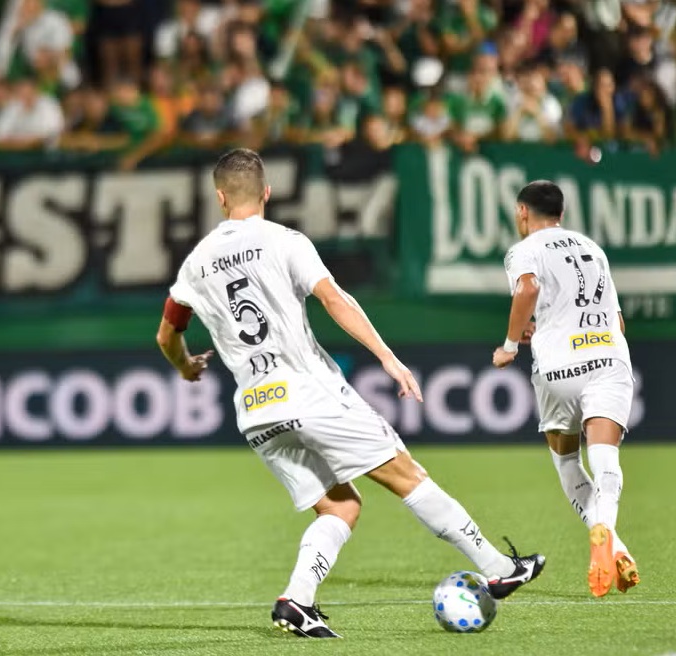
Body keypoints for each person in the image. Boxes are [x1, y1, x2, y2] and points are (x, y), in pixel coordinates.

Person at [156, 148, 546, 638]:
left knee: (341, 507)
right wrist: (387, 357)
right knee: (406, 474)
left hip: (256, 411)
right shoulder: (285, 241)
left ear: (220, 197)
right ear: (267, 192)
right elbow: (333, 298)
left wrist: (186, 366)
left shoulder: (195, 264)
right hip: (308, 392)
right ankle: (498, 568)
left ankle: (296, 601)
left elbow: (167, 335)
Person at [492, 180, 639, 598]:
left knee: (568, 461)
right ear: (562, 213)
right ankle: (607, 533)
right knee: (606, 457)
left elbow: (528, 288)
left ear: (523, 212)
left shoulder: (524, 249)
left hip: (559, 367)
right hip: (608, 358)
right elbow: (617, 321)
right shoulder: (594, 249)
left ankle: (613, 544)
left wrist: (510, 344)